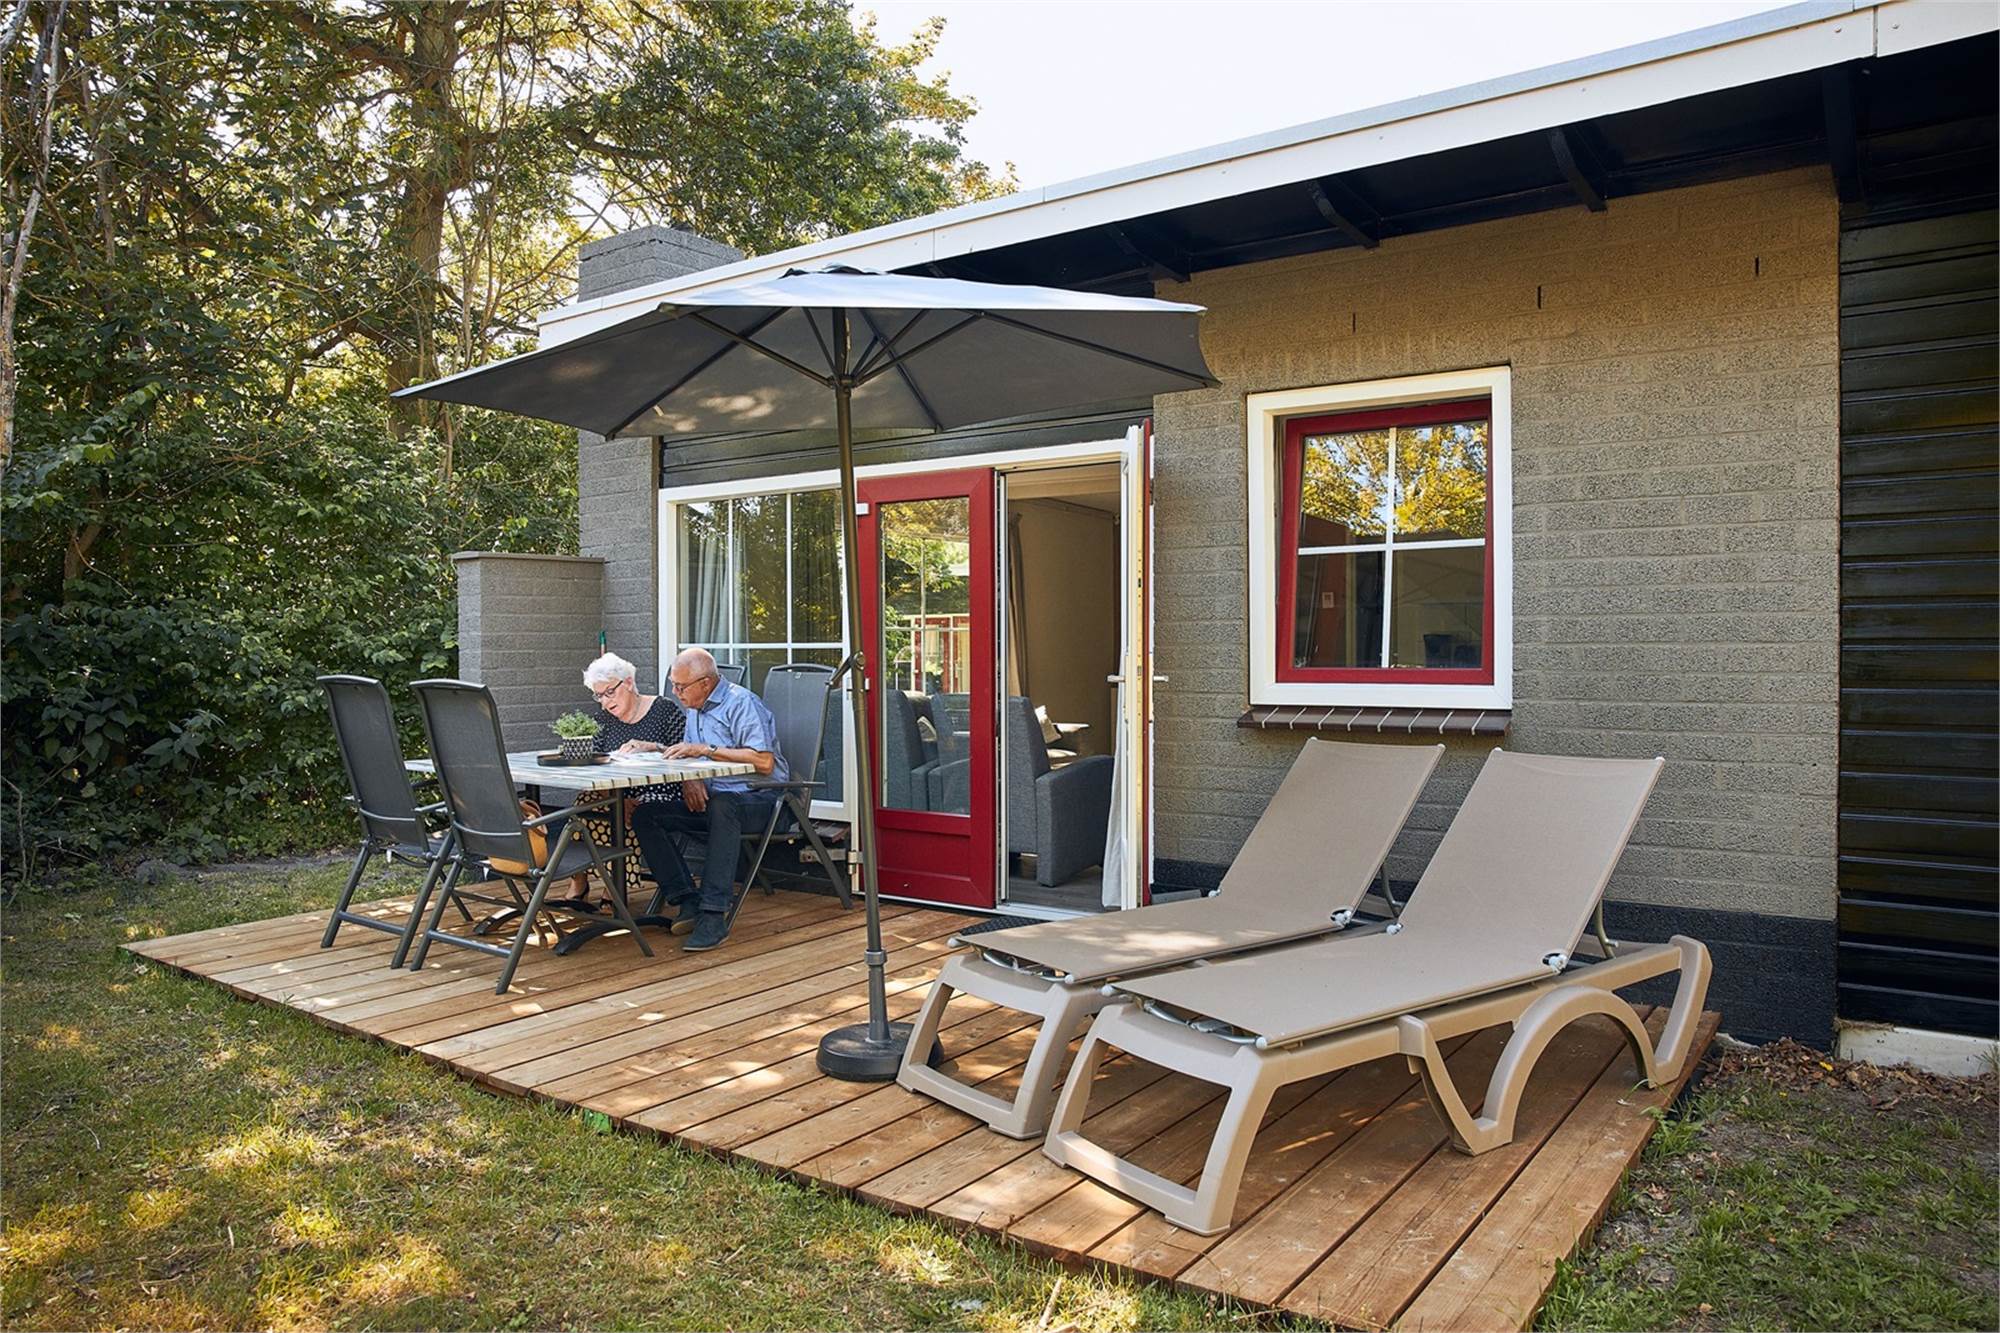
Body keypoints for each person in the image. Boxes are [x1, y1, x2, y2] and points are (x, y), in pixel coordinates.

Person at [642, 647, 787, 951]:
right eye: (673, 685)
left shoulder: (742, 703)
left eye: (680, 686)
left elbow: (764, 762)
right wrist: (691, 779)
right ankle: (687, 899)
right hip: (715, 799)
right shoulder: (695, 705)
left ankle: (713, 915)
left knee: (724, 805)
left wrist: (705, 750)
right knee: (646, 814)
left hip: (761, 800)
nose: (675, 692)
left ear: (705, 683)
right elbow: (690, 755)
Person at [570, 652, 695, 923]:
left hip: (659, 790)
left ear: (628, 683)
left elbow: (686, 752)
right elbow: (594, 764)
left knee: (635, 808)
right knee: (586, 801)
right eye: (599, 696)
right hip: (616, 791)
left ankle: (614, 887)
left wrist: (655, 747)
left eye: (609, 692)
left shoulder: (663, 710)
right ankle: (579, 880)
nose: (605, 702)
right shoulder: (604, 720)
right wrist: (615, 795)